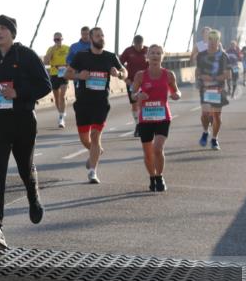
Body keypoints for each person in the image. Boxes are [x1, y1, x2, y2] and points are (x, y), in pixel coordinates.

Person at [0, 15, 51, 250]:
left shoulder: (26, 55)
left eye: (3, 28)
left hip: (23, 121)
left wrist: (18, 93)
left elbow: (45, 85)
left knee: (24, 168)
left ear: (12, 33)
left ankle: (33, 197)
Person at [66, 26, 126, 184]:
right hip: (83, 103)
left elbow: (124, 72)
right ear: (91, 39)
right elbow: (66, 73)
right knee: (85, 139)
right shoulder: (81, 56)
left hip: (101, 103)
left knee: (95, 136)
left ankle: (92, 171)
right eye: (98, 36)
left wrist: (119, 74)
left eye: (102, 35)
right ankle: (96, 151)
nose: (101, 38)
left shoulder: (110, 57)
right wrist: (79, 75)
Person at [130, 45, 181, 192]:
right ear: (147, 56)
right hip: (145, 118)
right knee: (148, 153)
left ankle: (159, 177)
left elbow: (177, 91)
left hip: (163, 117)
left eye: (158, 53)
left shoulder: (169, 75)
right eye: (152, 53)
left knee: (157, 149)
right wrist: (138, 95)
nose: (155, 56)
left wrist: (176, 95)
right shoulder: (140, 75)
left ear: (162, 57)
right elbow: (133, 94)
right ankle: (152, 177)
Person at [195, 30, 231, 150]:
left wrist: (213, 78)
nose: (212, 42)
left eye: (215, 40)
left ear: (218, 41)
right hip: (205, 88)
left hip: (217, 88)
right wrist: (198, 78)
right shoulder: (201, 55)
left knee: (216, 116)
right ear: (207, 40)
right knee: (205, 114)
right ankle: (205, 132)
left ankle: (214, 139)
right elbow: (198, 71)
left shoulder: (223, 56)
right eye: (210, 39)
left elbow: (228, 75)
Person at [119, 34, 149, 136]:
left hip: (145, 82)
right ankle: (138, 125)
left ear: (143, 43)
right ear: (134, 43)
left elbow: (155, 64)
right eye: (137, 45)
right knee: (134, 103)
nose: (139, 47)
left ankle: (145, 124)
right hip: (132, 82)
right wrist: (125, 79)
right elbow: (119, 65)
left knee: (145, 103)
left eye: (140, 45)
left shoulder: (148, 51)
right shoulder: (128, 51)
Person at [43, 32, 70, 128]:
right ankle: (61, 112)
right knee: (57, 97)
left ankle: (61, 118)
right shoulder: (51, 49)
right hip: (54, 74)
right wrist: (52, 50)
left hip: (64, 73)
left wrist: (68, 67)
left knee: (62, 96)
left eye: (58, 39)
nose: (57, 41)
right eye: (55, 40)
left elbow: (72, 60)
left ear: (62, 39)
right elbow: (46, 62)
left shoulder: (67, 48)